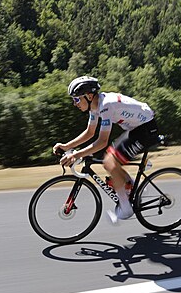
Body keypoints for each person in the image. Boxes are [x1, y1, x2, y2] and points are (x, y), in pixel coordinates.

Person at [53, 76, 159, 224]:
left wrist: (76, 154)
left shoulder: (106, 106)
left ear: (89, 96)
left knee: (109, 161)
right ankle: (134, 186)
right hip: (135, 129)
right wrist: (67, 146)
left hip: (146, 129)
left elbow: (102, 141)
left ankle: (126, 207)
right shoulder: (95, 107)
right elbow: (90, 132)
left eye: (77, 99)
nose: (74, 103)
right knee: (110, 159)